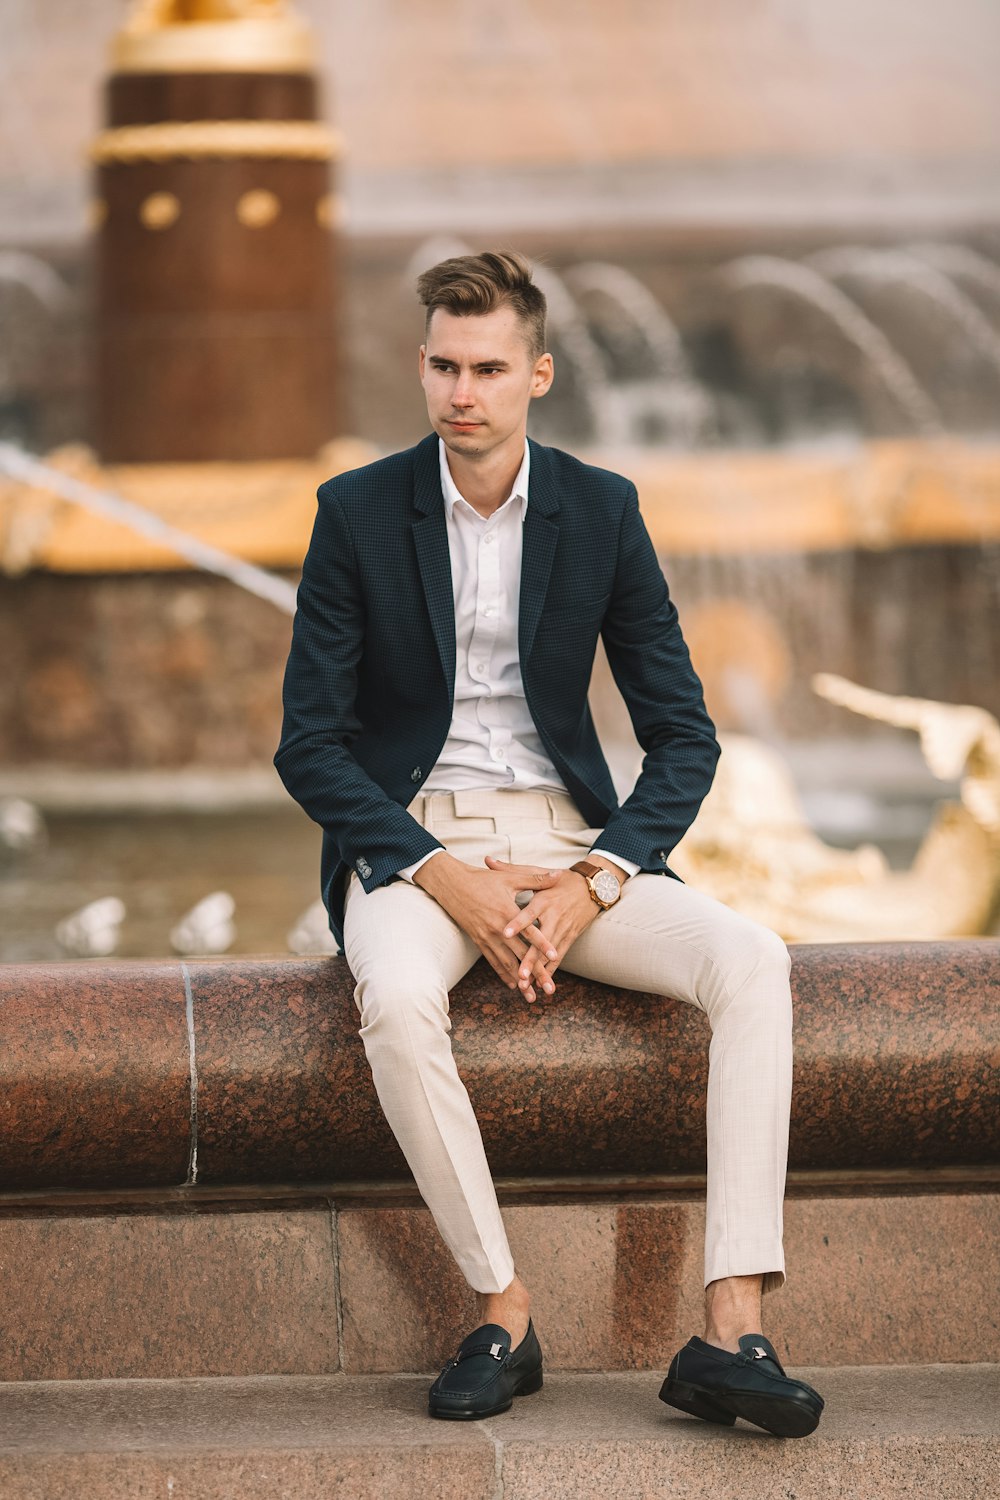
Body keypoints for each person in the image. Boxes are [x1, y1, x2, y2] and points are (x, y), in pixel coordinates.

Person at [275, 250, 824, 1438]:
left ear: (538, 374)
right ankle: (501, 1311)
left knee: (753, 963)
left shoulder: (602, 510)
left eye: (485, 369)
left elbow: (682, 737)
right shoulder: (357, 512)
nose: (459, 391)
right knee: (398, 1003)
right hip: (419, 850)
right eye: (441, 366)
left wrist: (594, 877)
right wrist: (442, 875)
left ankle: (731, 1327)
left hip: (571, 840)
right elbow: (309, 748)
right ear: (420, 367)